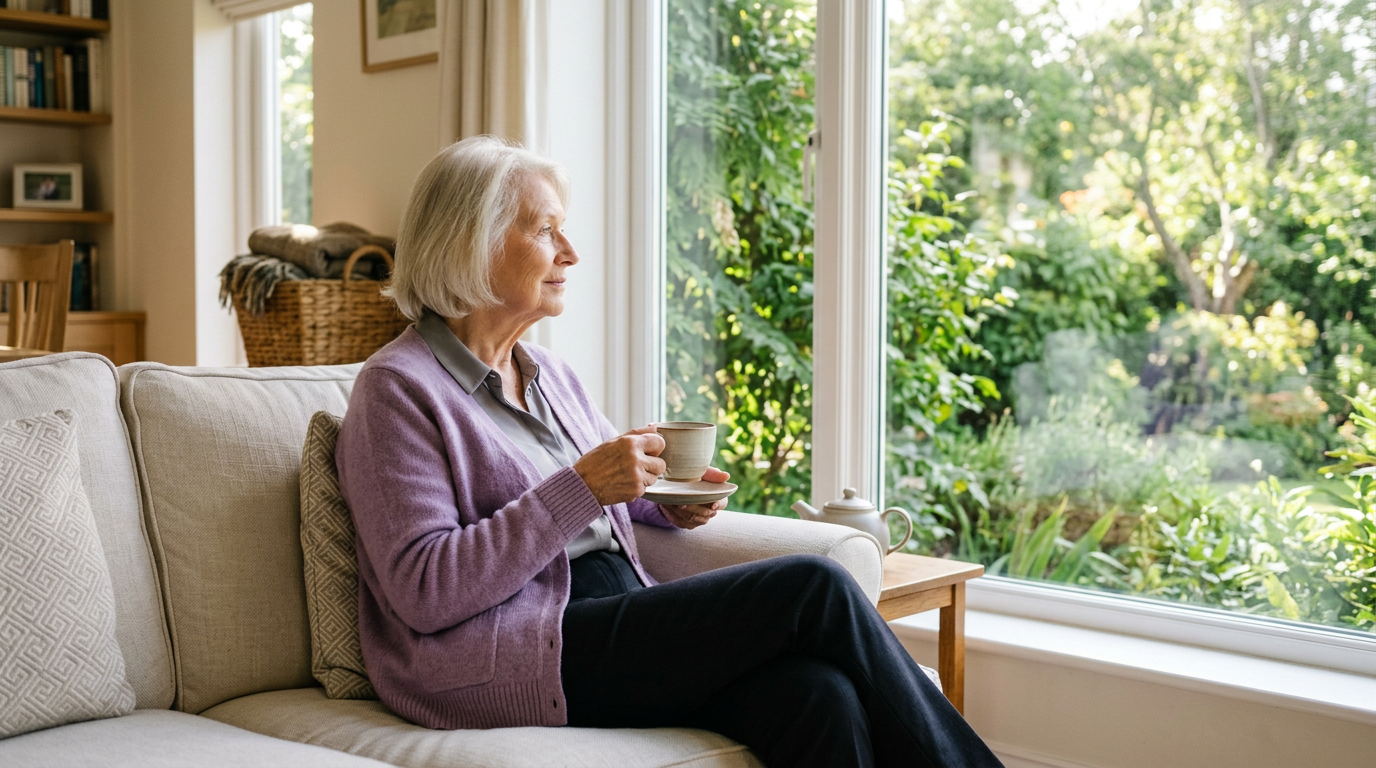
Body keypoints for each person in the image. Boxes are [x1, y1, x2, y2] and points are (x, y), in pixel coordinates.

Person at [335, 136, 1002, 768]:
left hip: (607, 616)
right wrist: (586, 485)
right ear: (467, 243)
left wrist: (662, 501)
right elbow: (424, 590)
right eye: (543, 230)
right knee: (814, 584)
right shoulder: (396, 391)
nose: (569, 251)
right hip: (499, 652)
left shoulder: (548, 375)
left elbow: (598, 500)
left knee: (817, 695)